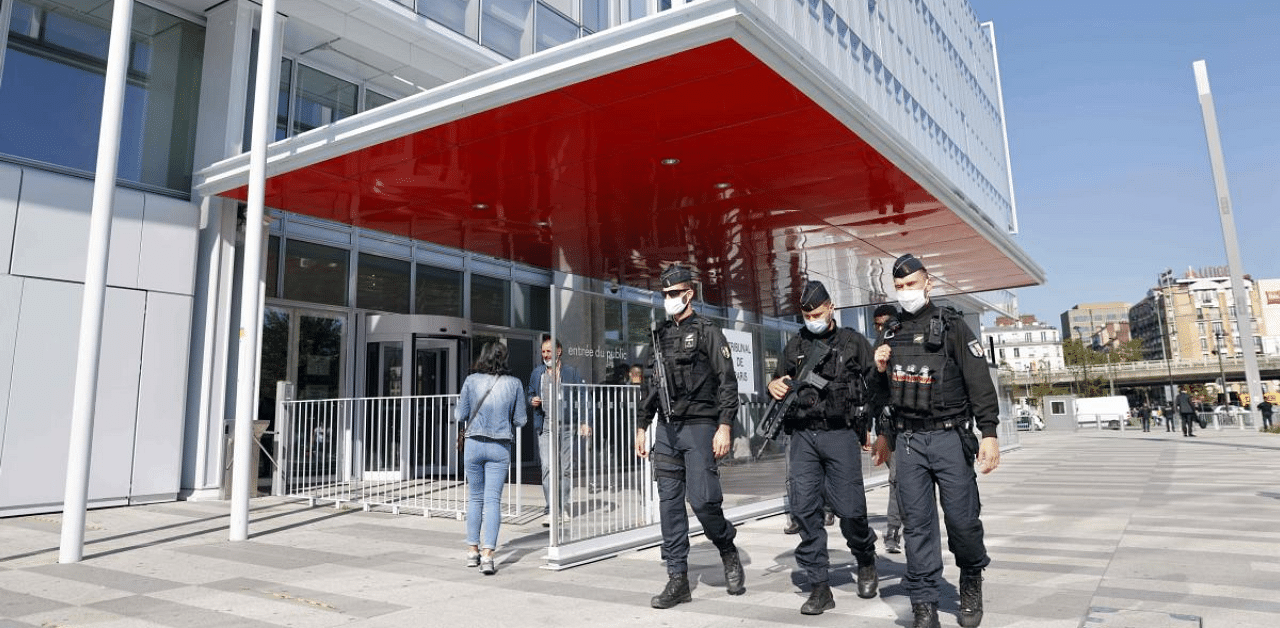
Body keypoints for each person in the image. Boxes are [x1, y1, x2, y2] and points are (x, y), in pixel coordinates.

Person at [871, 253, 1000, 628]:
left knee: (962, 520)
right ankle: (924, 601)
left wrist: (989, 434)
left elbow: (979, 382)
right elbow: (880, 394)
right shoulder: (889, 332)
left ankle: (971, 577)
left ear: (928, 283)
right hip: (908, 440)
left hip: (949, 437)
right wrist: (878, 372)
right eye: (899, 287)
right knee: (917, 525)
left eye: (911, 284)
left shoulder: (953, 326)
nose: (905, 292)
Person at [635, 264, 744, 609]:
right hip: (667, 429)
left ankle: (726, 546)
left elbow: (727, 381)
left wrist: (725, 425)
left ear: (688, 294)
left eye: (672, 294)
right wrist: (642, 425)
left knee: (702, 501)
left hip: (700, 426)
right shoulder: (659, 335)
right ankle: (677, 578)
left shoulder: (708, 332)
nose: (667, 300)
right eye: (664, 295)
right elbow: (654, 387)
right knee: (669, 505)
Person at [767, 280, 879, 615]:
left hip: (840, 433)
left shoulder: (853, 343)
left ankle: (865, 558)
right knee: (804, 510)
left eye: (817, 312)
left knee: (851, 510)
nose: (812, 319)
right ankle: (819, 586)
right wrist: (773, 384)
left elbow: (876, 385)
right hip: (803, 435)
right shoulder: (795, 344)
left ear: (831, 307)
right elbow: (778, 380)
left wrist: (872, 428)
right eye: (806, 314)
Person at [455, 341, 527, 575]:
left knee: (475, 498)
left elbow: (460, 414)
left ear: (483, 357)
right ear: (504, 358)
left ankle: (472, 551)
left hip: (474, 444)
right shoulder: (514, 384)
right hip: (500, 446)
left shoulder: (471, 381)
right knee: (492, 500)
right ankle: (488, 556)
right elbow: (520, 420)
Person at [528, 336, 589, 526]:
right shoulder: (537, 373)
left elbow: (583, 395)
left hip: (567, 426)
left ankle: (563, 506)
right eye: (543, 351)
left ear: (559, 351)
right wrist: (532, 399)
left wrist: (585, 421)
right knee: (547, 467)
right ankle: (552, 509)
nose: (546, 355)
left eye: (549, 351)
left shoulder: (571, 372)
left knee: (565, 469)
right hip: (546, 425)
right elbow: (529, 392)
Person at [872, 303, 903, 555]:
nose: (881, 330)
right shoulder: (874, 353)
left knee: (900, 479)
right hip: (887, 427)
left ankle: (896, 529)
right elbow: (872, 394)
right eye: (877, 326)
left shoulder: (904, 348)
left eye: (886, 325)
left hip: (910, 425)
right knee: (897, 479)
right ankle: (894, 528)